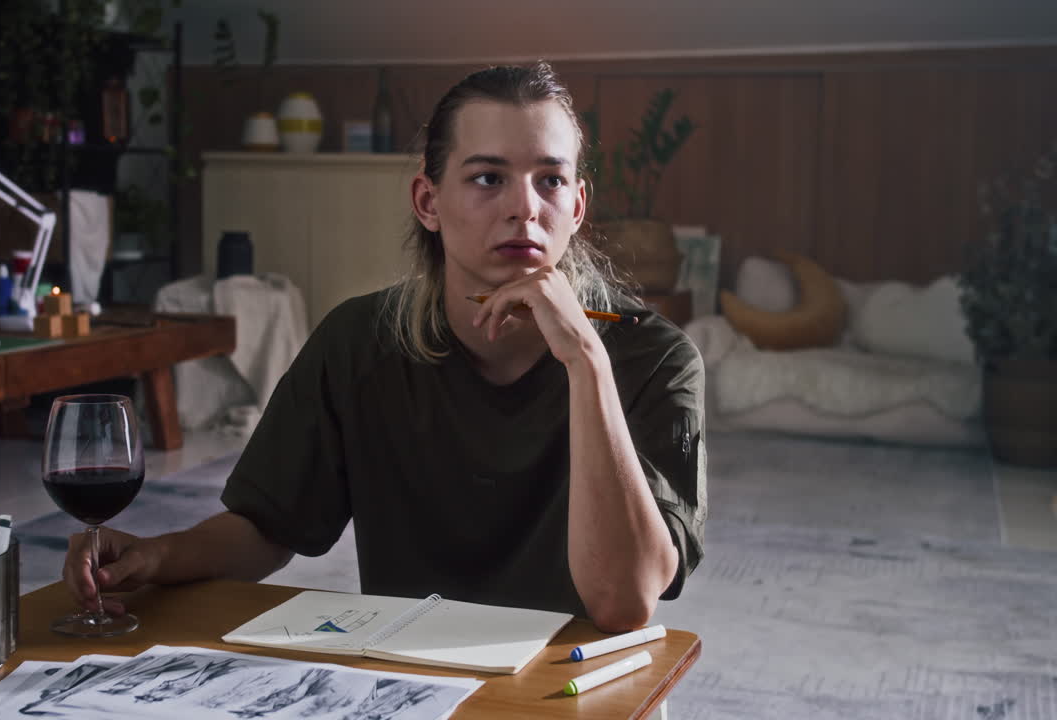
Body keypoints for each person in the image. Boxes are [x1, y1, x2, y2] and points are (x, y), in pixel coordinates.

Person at [63, 61, 706, 632]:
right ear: (428, 200)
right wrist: (157, 555)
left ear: (578, 205)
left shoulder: (655, 359)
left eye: (550, 181)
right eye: (488, 179)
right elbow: (269, 525)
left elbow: (623, 603)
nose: (525, 208)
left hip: (578, 691)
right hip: (412, 682)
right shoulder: (360, 341)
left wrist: (585, 362)